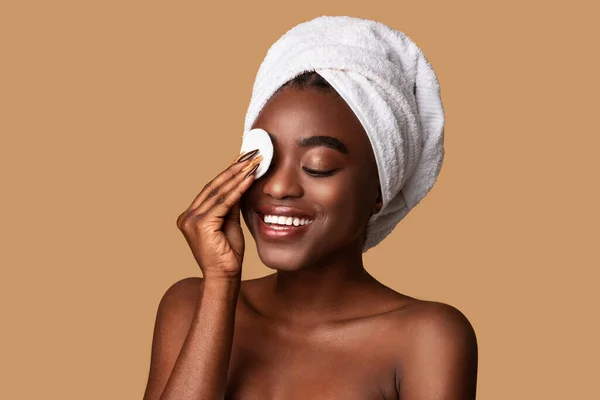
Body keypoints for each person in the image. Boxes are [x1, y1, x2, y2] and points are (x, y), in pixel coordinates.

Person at [143, 18, 478, 400]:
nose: (278, 186)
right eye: (262, 160)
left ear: (379, 191)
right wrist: (219, 285)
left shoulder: (427, 337)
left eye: (319, 166)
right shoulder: (190, 306)